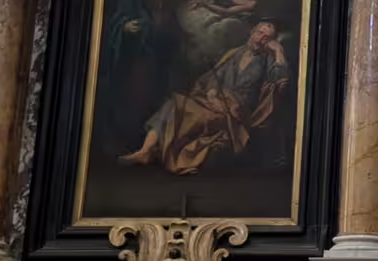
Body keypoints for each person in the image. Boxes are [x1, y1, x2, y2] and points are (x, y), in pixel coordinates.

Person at [121, 20, 289, 174]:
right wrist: (212, 95)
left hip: (235, 114)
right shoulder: (234, 54)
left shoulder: (268, 60)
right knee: (173, 104)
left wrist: (279, 52)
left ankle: (163, 154)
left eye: (267, 38)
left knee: (189, 113)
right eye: (259, 33)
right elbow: (212, 79)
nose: (261, 39)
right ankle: (145, 151)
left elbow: (280, 82)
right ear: (252, 33)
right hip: (214, 102)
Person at [102, 0, 178, 147]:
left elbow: (169, 14)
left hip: (158, 44)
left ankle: (150, 139)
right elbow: (118, 18)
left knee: (156, 89)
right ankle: (129, 137)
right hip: (138, 48)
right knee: (136, 90)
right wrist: (124, 27)